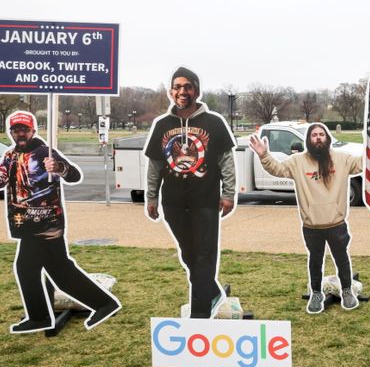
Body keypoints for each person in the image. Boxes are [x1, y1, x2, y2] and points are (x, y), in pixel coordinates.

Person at [1, 111, 120, 332]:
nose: (20, 133)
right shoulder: (9, 156)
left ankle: (40, 317)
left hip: (47, 224)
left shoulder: (45, 153)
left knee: (26, 268)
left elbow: (74, 175)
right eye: (16, 130)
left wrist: (58, 168)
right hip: (26, 224)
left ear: (33, 131)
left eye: (24, 129)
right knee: (60, 271)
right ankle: (103, 304)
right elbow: (1, 179)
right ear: (11, 132)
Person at [145, 67, 237, 318]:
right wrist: (151, 197)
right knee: (188, 253)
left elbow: (226, 161)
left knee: (205, 255)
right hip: (173, 202)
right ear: (170, 91)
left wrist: (228, 194)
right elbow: (154, 164)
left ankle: (200, 315)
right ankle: (213, 290)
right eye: (177, 87)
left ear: (196, 89)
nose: (182, 92)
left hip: (205, 200)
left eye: (187, 86)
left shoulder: (214, 122)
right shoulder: (162, 125)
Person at [249, 123, 362, 314]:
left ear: (327, 138)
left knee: (342, 259)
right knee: (315, 260)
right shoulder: (297, 162)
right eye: (314, 135)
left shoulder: (342, 160)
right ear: (308, 140)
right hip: (311, 225)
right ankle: (316, 294)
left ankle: (346, 290)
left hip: (337, 223)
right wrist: (264, 155)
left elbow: (363, 163)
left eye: (321, 134)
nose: (318, 138)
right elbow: (277, 169)